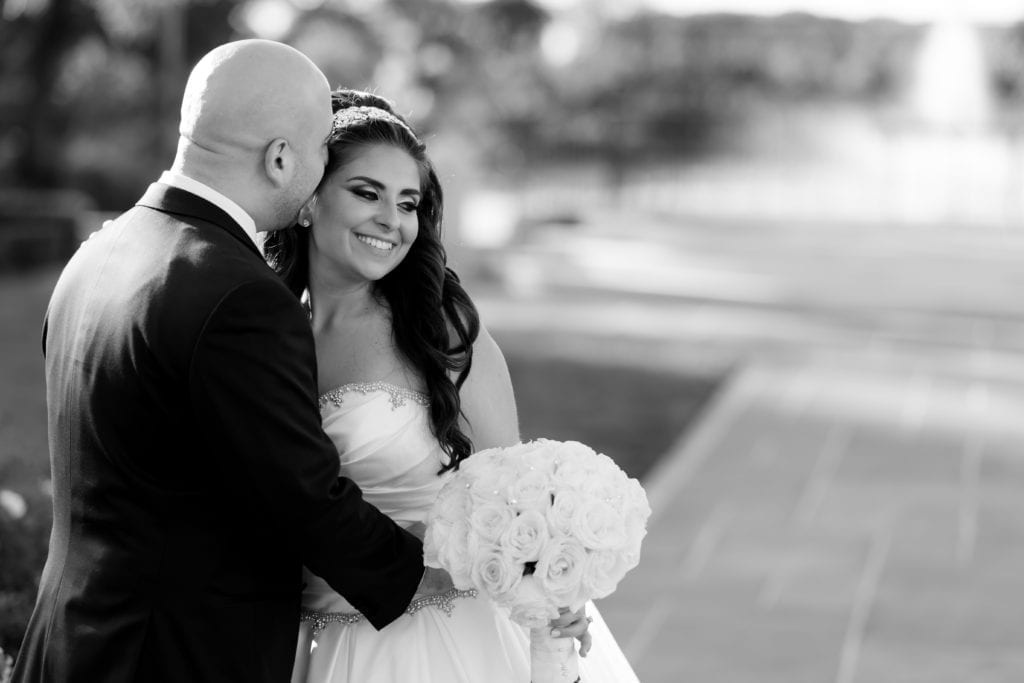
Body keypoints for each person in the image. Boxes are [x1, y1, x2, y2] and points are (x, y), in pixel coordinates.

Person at [12, 41, 435, 683]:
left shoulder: (98, 254)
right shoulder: (242, 297)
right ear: (281, 157)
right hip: (171, 658)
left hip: (72, 643)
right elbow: (306, 501)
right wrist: (453, 577)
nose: (322, 169)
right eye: (323, 148)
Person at [264, 89, 639, 683]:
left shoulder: (438, 329)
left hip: (450, 643)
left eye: (408, 202)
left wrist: (552, 586)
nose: (392, 219)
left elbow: (516, 490)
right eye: (367, 193)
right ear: (308, 201)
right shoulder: (261, 335)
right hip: (313, 645)